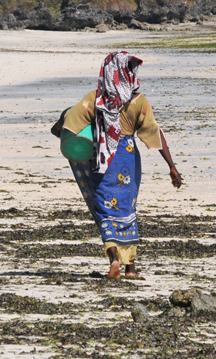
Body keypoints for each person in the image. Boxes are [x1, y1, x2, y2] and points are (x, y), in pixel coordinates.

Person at [61, 50, 182, 280]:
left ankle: (114, 259)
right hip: (128, 158)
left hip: (105, 159)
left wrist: (64, 134)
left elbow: (70, 121)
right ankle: (131, 268)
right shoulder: (140, 102)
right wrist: (172, 167)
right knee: (127, 210)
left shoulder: (96, 99)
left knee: (106, 210)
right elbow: (155, 134)